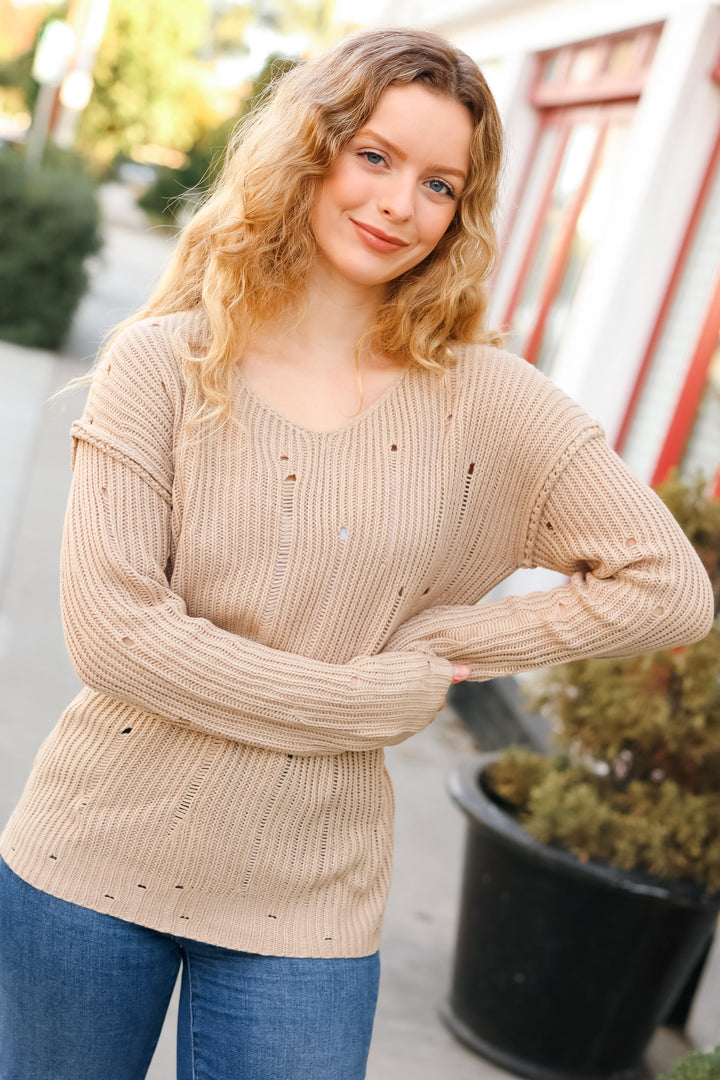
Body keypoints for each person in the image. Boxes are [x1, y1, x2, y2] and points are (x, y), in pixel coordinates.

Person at [0, 26, 713, 1080]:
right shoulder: (165, 363)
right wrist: (369, 699)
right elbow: (117, 641)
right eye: (373, 156)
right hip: (92, 855)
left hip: (312, 893)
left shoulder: (488, 399)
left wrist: (453, 641)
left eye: (438, 183)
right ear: (311, 151)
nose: (398, 204)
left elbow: (671, 588)